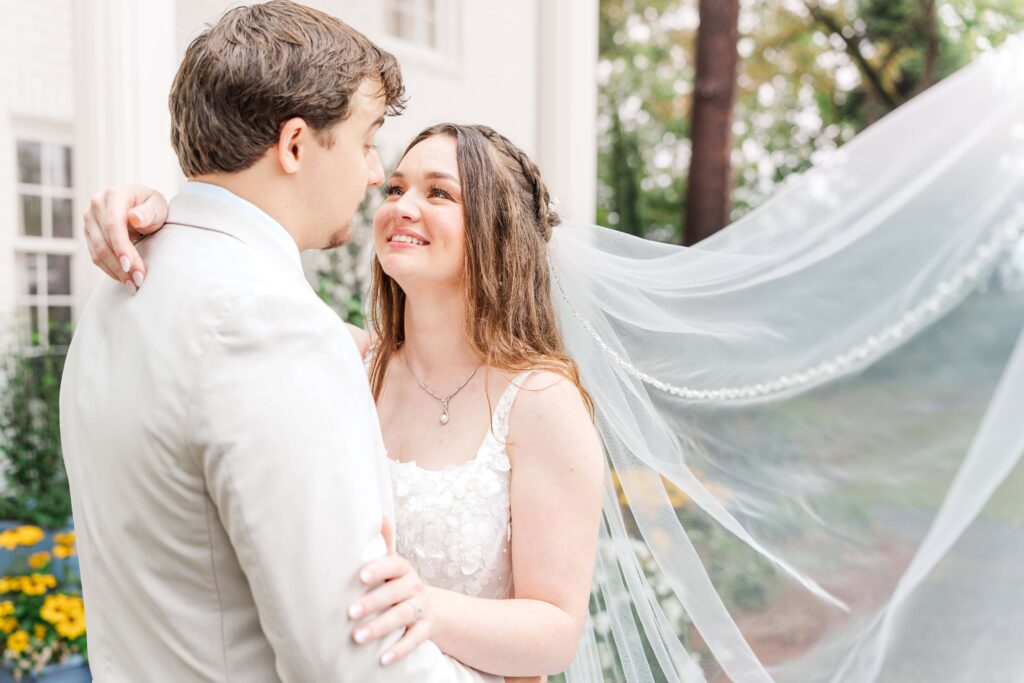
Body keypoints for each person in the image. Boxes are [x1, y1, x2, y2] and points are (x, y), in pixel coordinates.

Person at [83, 36, 1024, 683]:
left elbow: (557, 626)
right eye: (394, 177)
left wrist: (432, 611)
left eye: (436, 191)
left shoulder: (540, 404)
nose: (395, 198)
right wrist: (147, 209)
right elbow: (222, 311)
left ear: (493, 229)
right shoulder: (342, 360)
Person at [60, 3, 506, 681]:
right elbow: (348, 656)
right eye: (365, 141)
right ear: (296, 144)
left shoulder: (115, 294)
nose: (371, 173)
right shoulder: (274, 326)